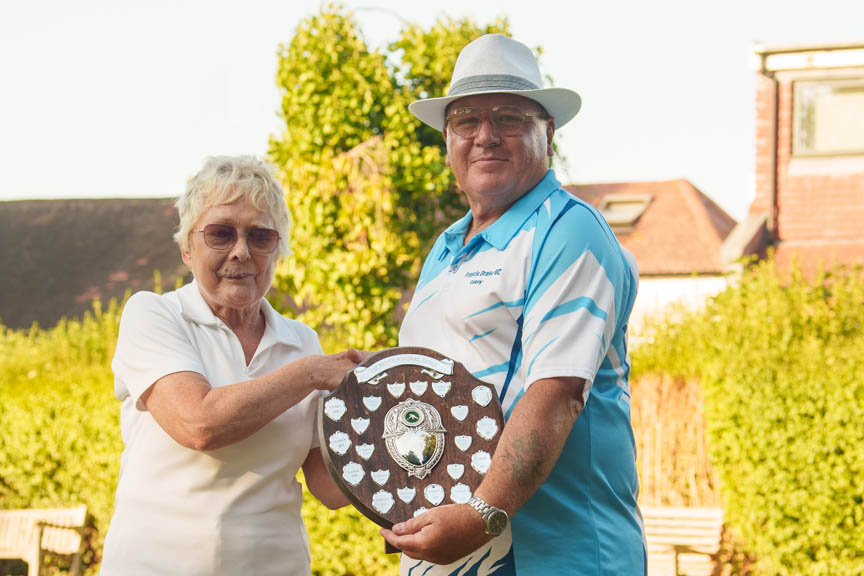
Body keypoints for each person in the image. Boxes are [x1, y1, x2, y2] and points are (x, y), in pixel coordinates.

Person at [380, 34, 646, 575]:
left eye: (508, 117)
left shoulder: (570, 230)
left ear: (546, 132)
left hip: (558, 558)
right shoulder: (445, 249)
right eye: (466, 121)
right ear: (448, 138)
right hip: (455, 559)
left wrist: (480, 515)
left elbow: (558, 392)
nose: (486, 136)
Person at [100, 155, 359, 576]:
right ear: (187, 247)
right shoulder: (152, 315)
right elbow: (198, 424)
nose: (241, 251)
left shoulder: (302, 341)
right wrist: (310, 373)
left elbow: (327, 484)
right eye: (221, 233)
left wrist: (412, 448)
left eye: (260, 236)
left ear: (278, 250)